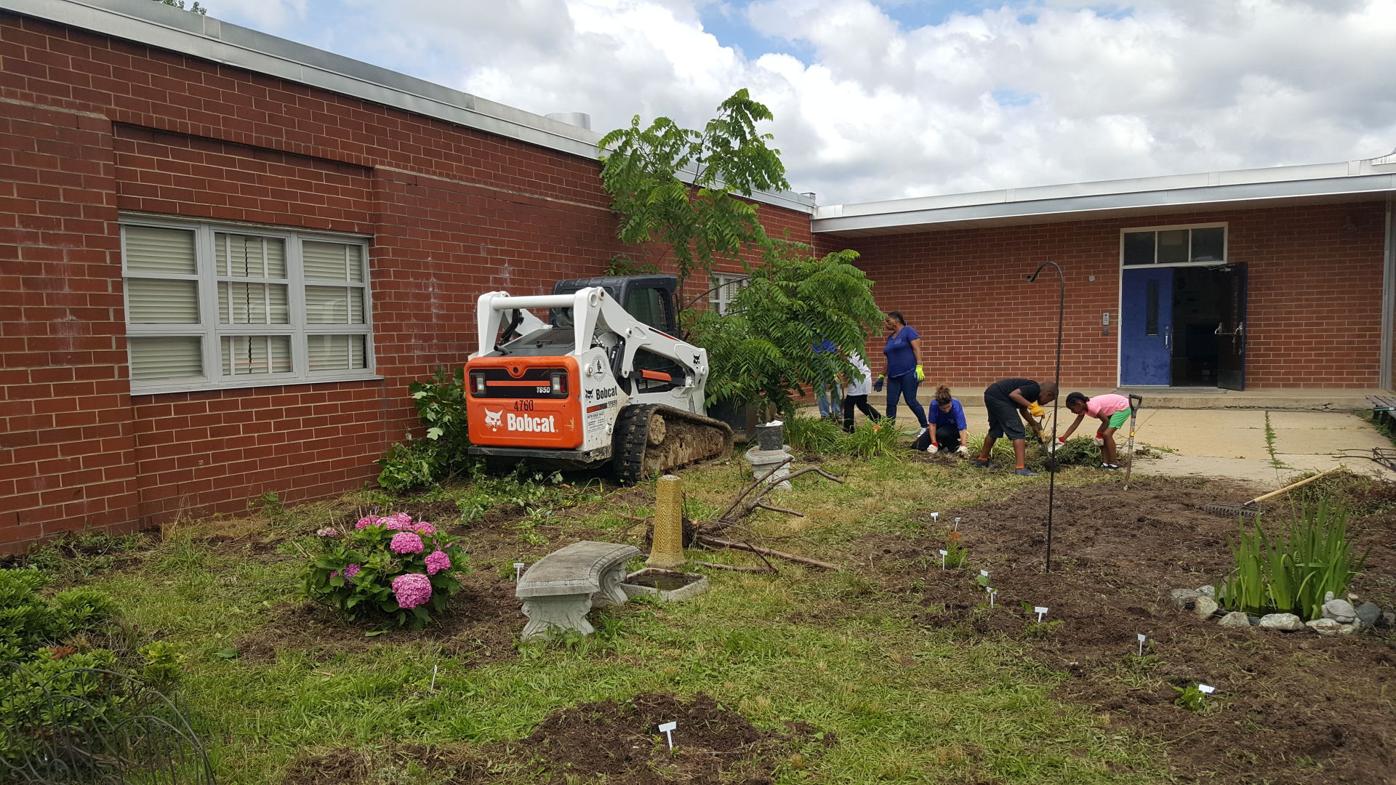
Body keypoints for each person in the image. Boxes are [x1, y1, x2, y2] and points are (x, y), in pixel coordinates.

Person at [972, 378, 1058, 476]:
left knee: (995, 429)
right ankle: (1020, 468)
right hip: (1000, 398)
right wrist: (1032, 406)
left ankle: (982, 460)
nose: (1046, 403)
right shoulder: (1034, 389)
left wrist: (1034, 424)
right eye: (1049, 400)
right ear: (1048, 394)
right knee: (1018, 432)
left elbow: (1023, 410)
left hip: (992, 394)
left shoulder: (1031, 393)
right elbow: (1014, 395)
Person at [878, 312, 928, 431]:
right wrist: (881, 375)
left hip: (908, 373)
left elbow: (917, 349)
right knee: (890, 403)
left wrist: (919, 366)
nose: (886, 323)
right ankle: (888, 430)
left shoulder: (908, 331)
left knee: (910, 400)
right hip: (893, 376)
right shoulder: (890, 338)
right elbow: (889, 360)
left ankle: (925, 427)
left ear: (896, 321)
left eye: (888, 321)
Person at [1057, 391, 1132, 469]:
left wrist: (1099, 433)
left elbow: (1106, 421)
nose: (1072, 412)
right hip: (1112, 410)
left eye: (1072, 409)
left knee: (1107, 434)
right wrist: (1063, 438)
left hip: (1122, 407)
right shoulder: (1083, 408)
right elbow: (1074, 425)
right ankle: (1105, 463)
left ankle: (1114, 463)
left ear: (1079, 404)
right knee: (1101, 438)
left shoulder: (1092, 407)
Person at [839, 351, 882, 432]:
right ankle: (878, 419)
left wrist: (842, 377)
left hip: (859, 381)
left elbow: (850, 370)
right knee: (861, 404)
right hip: (863, 380)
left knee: (849, 403)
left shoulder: (852, 353)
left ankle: (848, 428)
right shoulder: (855, 351)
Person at [922, 385, 969, 455]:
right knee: (919, 445)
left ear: (950, 402)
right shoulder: (934, 405)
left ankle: (955, 444)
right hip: (939, 426)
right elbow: (932, 424)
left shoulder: (956, 406)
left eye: (948, 407)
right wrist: (934, 443)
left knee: (941, 433)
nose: (947, 410)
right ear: (938, 405)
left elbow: (962, 428)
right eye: (943, 408)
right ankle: (940, 444)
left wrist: (964, 445)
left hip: (953, 428)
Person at [813, 339, 842, 420]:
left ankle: (836, 413)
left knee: (836, 385)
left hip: (832, 356)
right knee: (820, 387)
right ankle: (824, 415)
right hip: (817, 358)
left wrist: (838, 349)